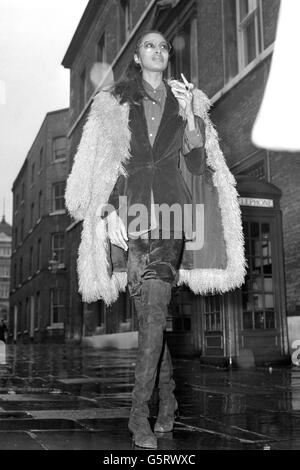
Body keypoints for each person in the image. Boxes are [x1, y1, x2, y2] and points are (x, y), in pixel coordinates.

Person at [65, 30, 246, 449]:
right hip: (132, 221)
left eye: (164, 46)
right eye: (150, 45)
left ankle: (138, 416)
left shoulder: (185, 102)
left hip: (171, 216)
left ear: (168, 57)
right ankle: (169, 404)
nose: (158, 50)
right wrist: (108, 211)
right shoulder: (118, 105)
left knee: (154, 311)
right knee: (150, 316)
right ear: (138, 56)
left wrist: (193, 119)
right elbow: (117, 165)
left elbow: (199, 167)